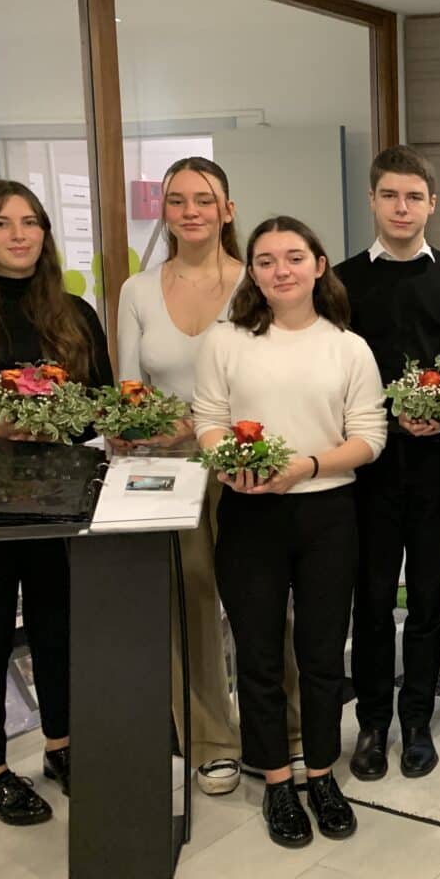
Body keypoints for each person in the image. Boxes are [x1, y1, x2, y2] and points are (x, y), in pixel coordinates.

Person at [193, 216, 386, 848]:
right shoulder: (225, 341)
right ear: (251, 271)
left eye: (294, 257)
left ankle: (322, 773)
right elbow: (209, 420)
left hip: (327, 513)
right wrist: (231, 465)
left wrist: (305, 466)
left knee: (323, 655)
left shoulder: (348, 347)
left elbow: (369, 438)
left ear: (319, 266)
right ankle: (277, 780)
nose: (281, 270)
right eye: (267, 260)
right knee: (257, 654)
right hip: (249, 512)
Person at [115, 155, 303, 797]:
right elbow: (130, 388)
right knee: (188, 604)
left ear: (228, 209)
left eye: (204, 199)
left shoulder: (257, 281)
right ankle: (211, 741)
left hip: (247, 466)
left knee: (263, 603)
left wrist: (201, 426)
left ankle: (288, 729)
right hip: (166, 472)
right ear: (163, 211)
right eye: (177, 200)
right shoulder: (137, 290)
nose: (190, 211)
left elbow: (279, 377)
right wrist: (143, 427)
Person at [0, 181, 112, 825]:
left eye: (30, 222)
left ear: (44, 232)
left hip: (57, 494)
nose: (18, 234)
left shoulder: (74, 313)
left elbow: (98, 403)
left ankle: (62, 747)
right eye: (1, 223)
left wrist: (55, 424)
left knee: (58, 627)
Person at [334, 146, 440, 782]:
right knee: (370, 600)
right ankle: (372, 721)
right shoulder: (341, 281)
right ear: (372, 200)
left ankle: (417, 719)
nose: (402, 207)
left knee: (427, 598)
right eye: (390, 195)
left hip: (436, 464)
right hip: (365, 465)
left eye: (414, 197)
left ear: (431, 204)